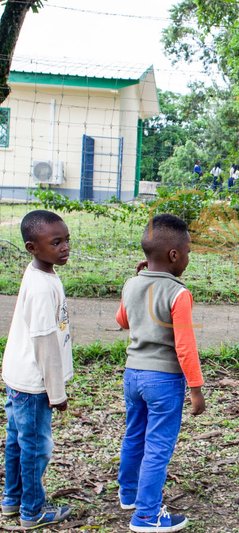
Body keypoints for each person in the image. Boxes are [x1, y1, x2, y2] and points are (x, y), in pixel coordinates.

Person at [115, 214, 206, 532]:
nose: (189, 258)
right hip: (163, 381)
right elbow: (185, 346)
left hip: (133, 375)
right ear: (174, 255)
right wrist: (196, 388)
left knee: (134, 435)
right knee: (157, 446)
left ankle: (129, 494)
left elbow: (122, 321)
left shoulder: (132, 284)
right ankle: (147, 515)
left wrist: (137, 286)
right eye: (188, 252)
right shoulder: (178, 293)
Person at [1, 210, 73, 530]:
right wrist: (57, 393)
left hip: (19, 376)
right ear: (32, 247)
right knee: (35, 448)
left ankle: (12, 499)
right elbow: (45, 343)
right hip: (34, 384)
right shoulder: (43, 286)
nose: (65, 247)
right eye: (56, 242)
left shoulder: (38, 272)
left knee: (17, 441)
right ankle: (32, 511)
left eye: (66, 240)